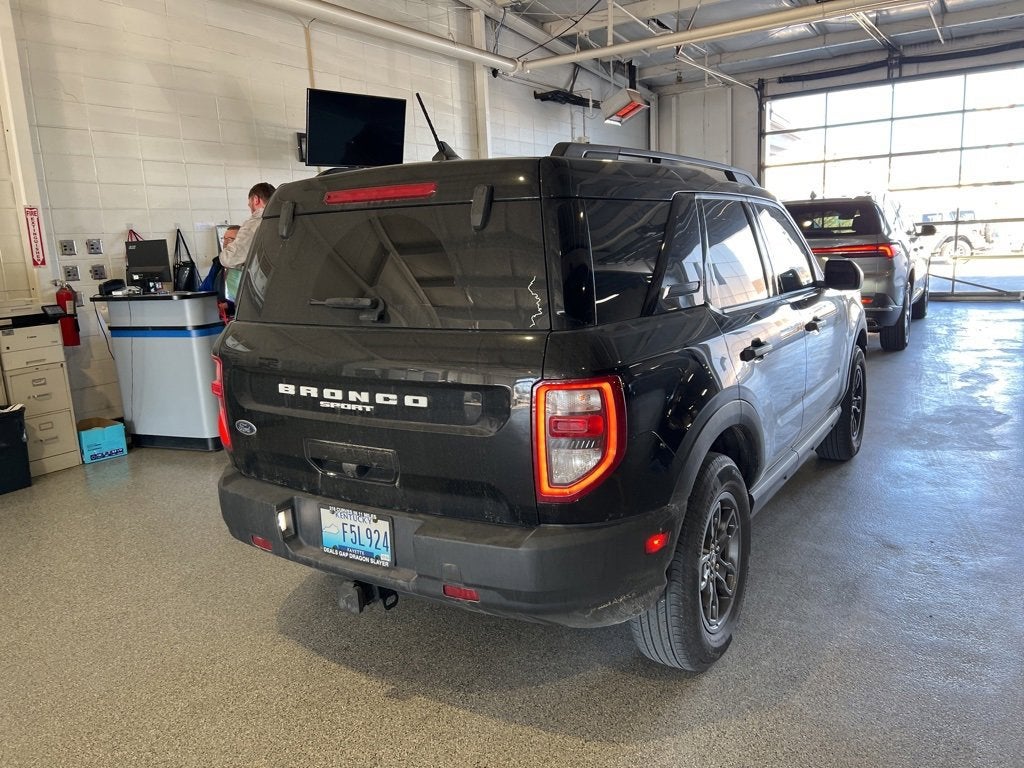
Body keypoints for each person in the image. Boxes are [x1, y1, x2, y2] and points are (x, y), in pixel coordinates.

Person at [220, 182, 275, 269]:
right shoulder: (283, 219)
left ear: (256, 200)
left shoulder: (254, 223)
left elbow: (229, 259)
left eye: (249, 204)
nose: (249, 207)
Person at [199, 225, 239, 292]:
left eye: (230, 239)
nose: (225, 243)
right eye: (224, 239)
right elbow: (205, 288)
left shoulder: (247, 262)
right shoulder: (218, 262)